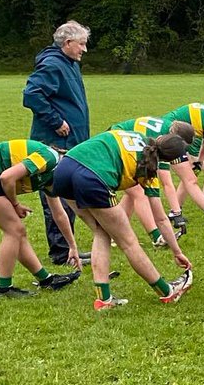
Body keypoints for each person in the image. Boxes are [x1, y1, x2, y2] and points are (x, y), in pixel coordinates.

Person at [51, 129, 194, 310]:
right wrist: (176, 251)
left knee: (101, 231)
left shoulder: (134, 133)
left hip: (65, 169)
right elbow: (161, 219)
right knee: (128, 242)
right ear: (168, 160)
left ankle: (103, 300)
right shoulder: (148, 171)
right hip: (92, 178)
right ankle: (166, 292)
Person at [0, 139, 82, 296]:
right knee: (14, 230)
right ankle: (4, 289)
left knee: (18, 232)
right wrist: (16, 205)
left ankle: (46, 280)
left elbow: (58, 213)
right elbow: (7, 178)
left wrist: (72, 246)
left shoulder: (54, 177)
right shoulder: (49, 158)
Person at [22, 20, 90, 267]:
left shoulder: (69, 62)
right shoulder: (52, 64)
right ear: (68, 43)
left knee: (68, 194)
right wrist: (55, 121)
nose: (84, 49)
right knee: (56, 196)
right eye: (81, 44)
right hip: (54, 142)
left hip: (72, 141)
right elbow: (31, 95)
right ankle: (61, 252)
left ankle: (68, 247)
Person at [107, 117, 196, 251]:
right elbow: (166, 183)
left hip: (118, 139)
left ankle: (115, 234)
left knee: (133, 192)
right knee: (139, 193)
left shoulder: (165, 136)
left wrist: (177, 213)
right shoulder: (162, 141)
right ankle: (156, 237)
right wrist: (176, 214)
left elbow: (166, 183)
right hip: (116, 143)